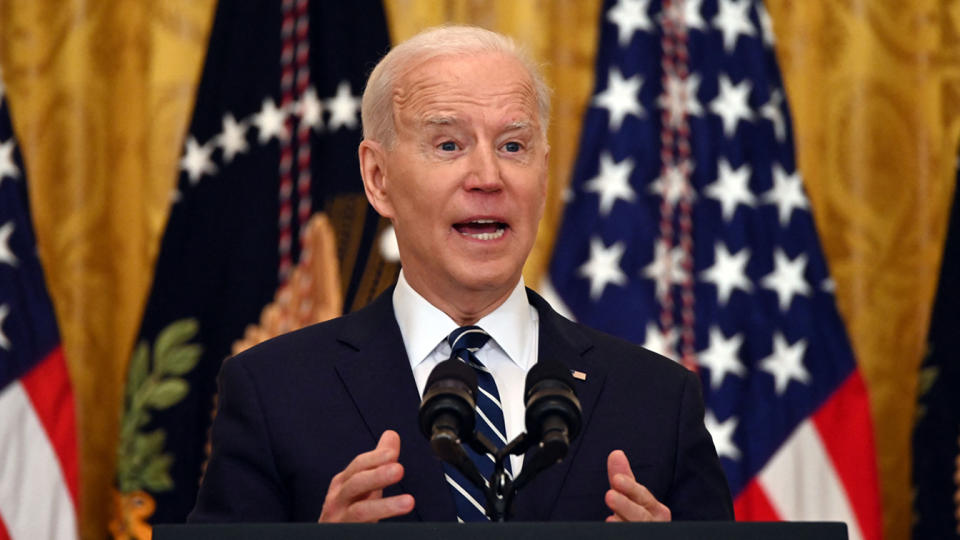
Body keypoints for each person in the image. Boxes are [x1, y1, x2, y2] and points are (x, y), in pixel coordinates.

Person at [189, 25, 733, 524]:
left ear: (543, 174)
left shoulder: (660, 400)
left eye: (513, 146)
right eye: (449, 144)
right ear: (377, 179)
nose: (487, 177)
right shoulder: (272, 392)